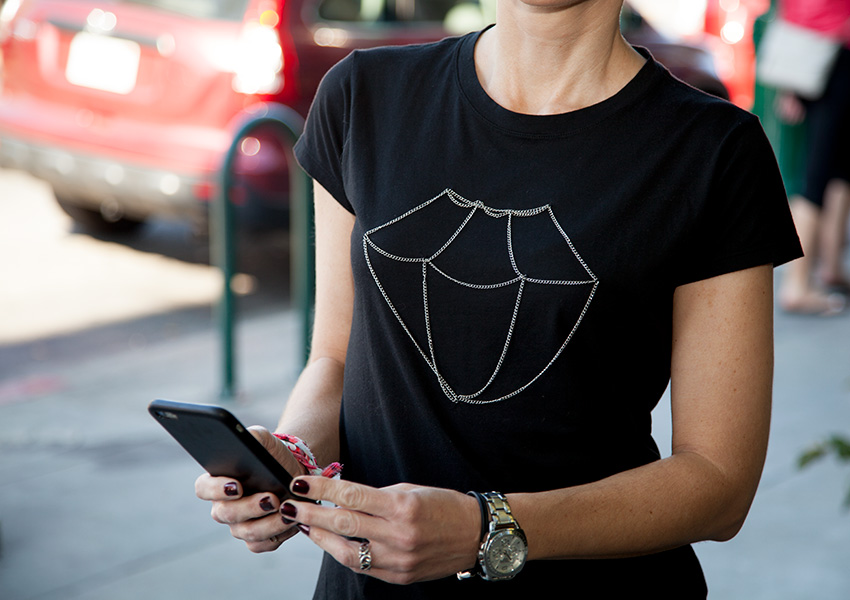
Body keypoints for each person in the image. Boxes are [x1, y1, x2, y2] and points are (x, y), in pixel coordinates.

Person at [195, 0, 803, 597]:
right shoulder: (363, 96)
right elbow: (336, 358)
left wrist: (488, 527)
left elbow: (719, 484)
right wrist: (291, 459)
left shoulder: (714, 149)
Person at [775, 0, 850, 315]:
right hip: (838, 53)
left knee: (838, 166)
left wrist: (790, 83)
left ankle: (830, 266)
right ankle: (797, 284)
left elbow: (791, 10)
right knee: (819, 171)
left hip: (811, 54)